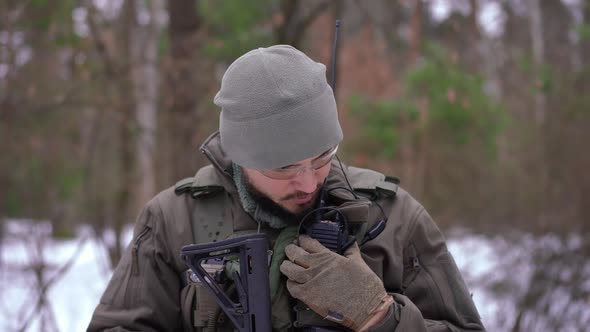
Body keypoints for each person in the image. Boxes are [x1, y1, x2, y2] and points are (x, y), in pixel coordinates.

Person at [88, 45, 485, 332]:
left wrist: (379, 316)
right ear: (241, 158)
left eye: (322, 157)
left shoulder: (393, 218)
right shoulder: (174, 220)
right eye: (284, 168)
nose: (309, 181)